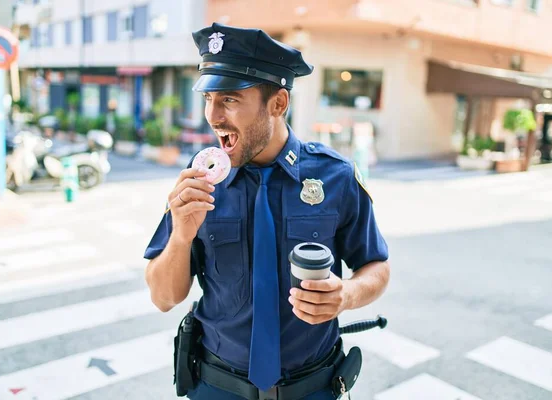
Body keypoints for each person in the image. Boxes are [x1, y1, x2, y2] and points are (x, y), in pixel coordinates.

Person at [144, 23, 390, 400]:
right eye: (209, 99)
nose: (213, 116)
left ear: (277, 104)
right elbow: (163, 297)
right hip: (216, 387)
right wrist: (181, 234)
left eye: (229, 99)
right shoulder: (198, 183)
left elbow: (377, 267)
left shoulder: (335, 176)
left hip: (313, 388)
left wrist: (347, 295)